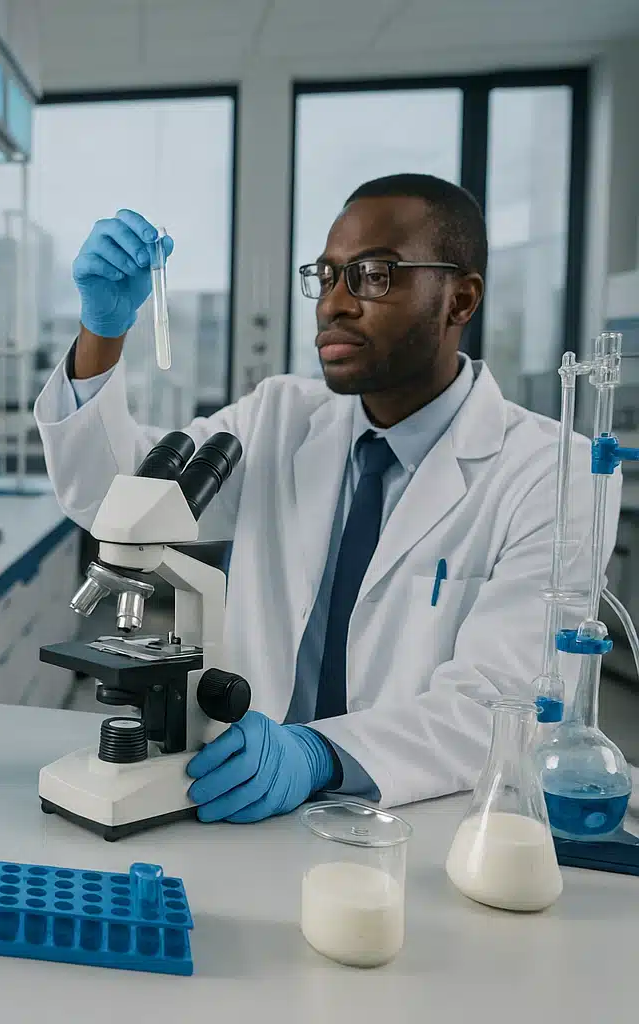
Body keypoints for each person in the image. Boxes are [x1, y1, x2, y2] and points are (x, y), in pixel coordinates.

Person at [37, 173, 618, 823]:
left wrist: (318, 754)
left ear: (460, 299)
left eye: (373, 276)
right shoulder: (279, 416)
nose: (334, 304)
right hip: (233, 795)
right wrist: (102, 334)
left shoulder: (552, 472)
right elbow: (112, 500)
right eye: (327, 275)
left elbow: (504, 701)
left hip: (414, 821)